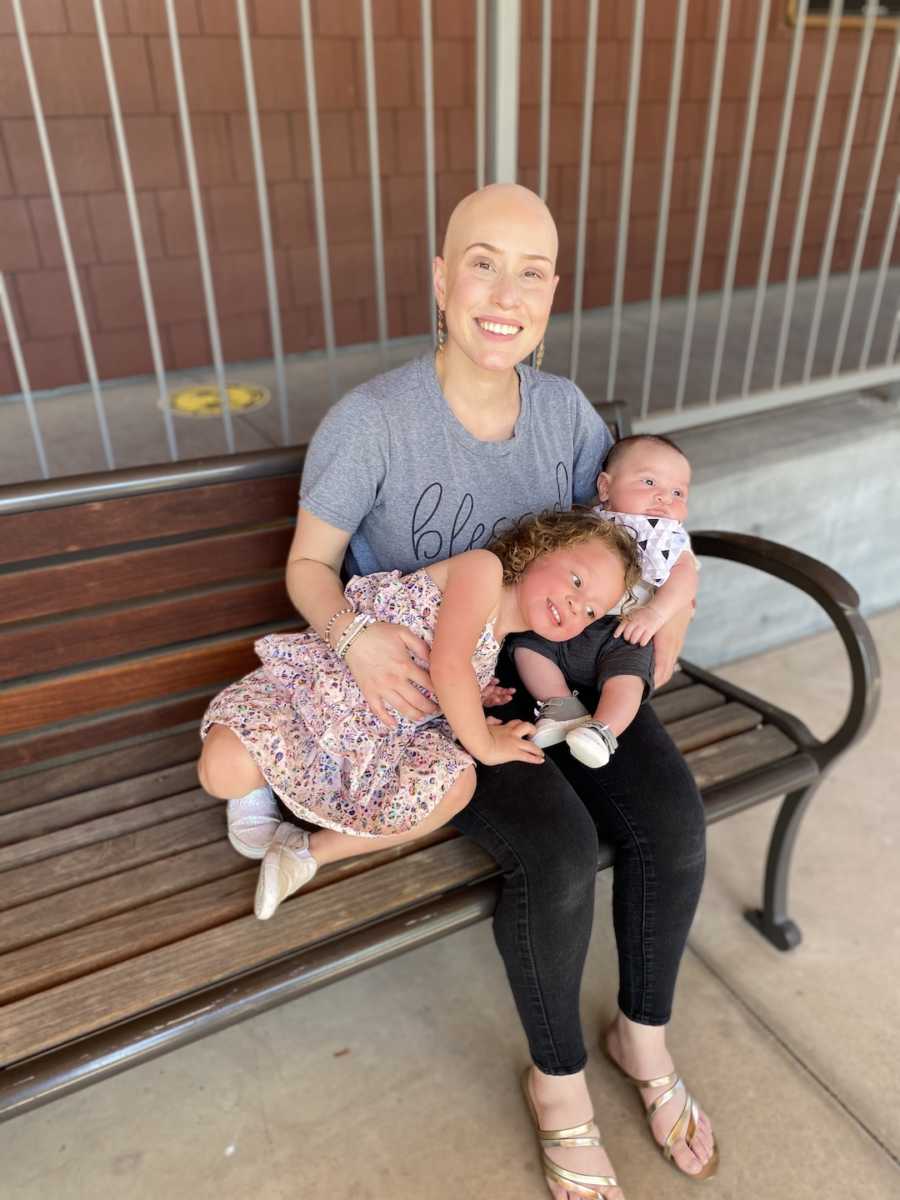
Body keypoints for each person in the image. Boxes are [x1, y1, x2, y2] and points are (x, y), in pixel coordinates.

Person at [197, 183, 716, 1199]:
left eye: (530, 272)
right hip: (448, 697)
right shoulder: (374, 422)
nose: (503, 293)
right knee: (561, 853)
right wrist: (349, 637)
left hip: (562, 668)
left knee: (672, 817)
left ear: (553, 292)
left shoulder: (564, 413)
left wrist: (667, 614)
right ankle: (557, 1084)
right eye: (481, 262)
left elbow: (614, 543)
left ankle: (640, 1038)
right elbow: (309, 568)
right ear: (440, 277)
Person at [200, 511, 641, 921]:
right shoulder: (483, 571)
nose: (574, 606)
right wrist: (485, 744)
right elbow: (448, 665)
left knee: (456, 784)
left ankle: (306, 852)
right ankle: (255, 790)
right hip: (316, 700)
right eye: (577, 580)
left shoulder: (504, 635)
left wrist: (475, 703)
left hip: (374, 736)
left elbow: (447, 676)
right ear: (539, 550)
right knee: (222, 772)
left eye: (590, 612)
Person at [514, 434, 698, 770]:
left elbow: (685, 579)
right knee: (528, 645)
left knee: (629, 677)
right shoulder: (588, 523)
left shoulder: (667, 537)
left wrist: (655, 613)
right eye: (649, 481)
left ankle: (602, 730)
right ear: (605, 487)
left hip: (625, 630)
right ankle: (559, 704)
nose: (663, 497)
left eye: (678, 492)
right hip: (569, 617)